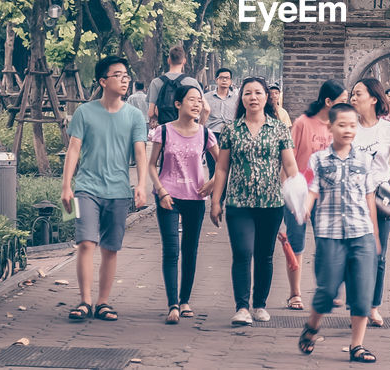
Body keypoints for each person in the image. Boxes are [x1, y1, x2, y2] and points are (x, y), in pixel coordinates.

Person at [60, 55, 149, 323]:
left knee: (110, 248)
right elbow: (73, 148)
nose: (124, 80)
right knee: (86, 243)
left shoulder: (134, 116)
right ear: (102, 81)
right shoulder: (85, 112)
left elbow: (141, 152)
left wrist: (141, 184)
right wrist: (66, 186)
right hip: (87, 188)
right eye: (118, 75)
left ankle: (103, 302)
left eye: (126, 75)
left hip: (119, 190)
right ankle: (85, 301)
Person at [208, 76, 300, 326]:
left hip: (271, 203)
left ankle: (259, 304)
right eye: (248, 93)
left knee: (264, 255)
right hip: (239, 202)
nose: (253, 98)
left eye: (258, 93)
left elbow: (290, 165)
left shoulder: (279, 129)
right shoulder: (231, 129)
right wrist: (216, 201)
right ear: (242, 98)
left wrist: (300, 197)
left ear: (266, 97)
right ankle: (242, 307)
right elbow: (222, 168)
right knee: (242, 252)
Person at [297, 102, 381, 364]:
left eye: (353, 125)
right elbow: (311, 188)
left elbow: (370, 199)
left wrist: (375, 236)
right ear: (330, 127)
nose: (347, 130)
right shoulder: (318, 159)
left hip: (361, 233)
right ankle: (312, 326)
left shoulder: (366, 160)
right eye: (342, 125)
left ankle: (357, 346)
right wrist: (305, 209)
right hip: (329, 233)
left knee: (362, 292)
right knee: (327, 289)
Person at [148, 83, 217, 324]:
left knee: (190, 249)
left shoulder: (206, 134)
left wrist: (213, 182)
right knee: (171, 249)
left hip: (195, 198)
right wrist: (161, 191)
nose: (197, 104)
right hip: (168, 196)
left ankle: (185, 300)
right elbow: (151, 165)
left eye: (199, 100)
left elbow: (224, 165)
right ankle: (173, 304)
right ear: (178, 104)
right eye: (192, 100)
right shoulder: (164, 132)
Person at [348, 77, 390, 327]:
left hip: (379, 198)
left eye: (358, 94)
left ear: (374, 98)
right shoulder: (347, 125)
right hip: (351, 198)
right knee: (353, 253)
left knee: (378, 254)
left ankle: (372, 307)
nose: (353, 98)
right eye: (352, 94)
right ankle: (357, 303)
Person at [281, 79, 347, 310]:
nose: (346, 105)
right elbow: (288, 158)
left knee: (327, 244)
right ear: (328, 102)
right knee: (296, 243)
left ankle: (327, 290)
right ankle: (294, 293)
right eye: (342, 101)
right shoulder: (302, 123)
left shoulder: (340, 126)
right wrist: (287, 192)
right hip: (300, 193)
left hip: (328, 196)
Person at [148, 46, 203, 128]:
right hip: (187, 130)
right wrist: (198, 127)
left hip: (165, 130)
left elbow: (151, 113)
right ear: (184, 61)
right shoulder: (192, 82)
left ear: (168, 60)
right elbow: (206, 109)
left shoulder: (156, 82)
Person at [204, 68, 238, 139]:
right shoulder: (206, 97)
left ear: (230, 81)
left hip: (231, 133)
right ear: (217, 80)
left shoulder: (237, 99)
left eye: (227, 78)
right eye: (221, 77)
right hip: (211, 133)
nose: (224, 80)